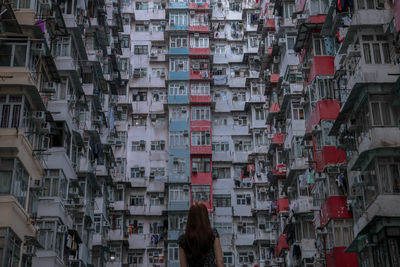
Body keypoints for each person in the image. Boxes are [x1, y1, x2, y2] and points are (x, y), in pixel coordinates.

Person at [178, 203, 224, 267]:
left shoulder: (183, 239)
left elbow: (183, 265)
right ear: (205, 217)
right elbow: (220, 261)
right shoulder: (213, 234)